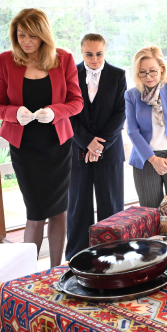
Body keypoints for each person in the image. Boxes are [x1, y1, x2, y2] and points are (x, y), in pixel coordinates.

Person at [0, 9, 83, 268]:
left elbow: (76, 102)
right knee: (35, 213)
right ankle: (30, 274)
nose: (26, 41)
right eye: (21, 35)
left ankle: (55, 270)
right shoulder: (4, 60)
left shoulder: (63, 59)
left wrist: (54, 112)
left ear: (43, 35)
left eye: (32, 35)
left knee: (59, 211)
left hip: (57, 147)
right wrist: (14, 113)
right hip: (25, 148)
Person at [66, 33, 127, 259]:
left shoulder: (118, 75)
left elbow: (121, 113)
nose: (94, 59)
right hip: (77, 150)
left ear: (105, 51)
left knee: (111, 207)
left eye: (99, 54)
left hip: (109, 152)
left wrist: (99, 145)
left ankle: (113, 256)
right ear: (81, 52)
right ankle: (77, 258)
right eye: (89, 54)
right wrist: (86, 142)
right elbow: (67, 113)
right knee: (77, 208)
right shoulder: (69, 74)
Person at [125, 46, 167, 208]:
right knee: (150, 212)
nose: (148, 76)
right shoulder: (131, 95)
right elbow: (132, 130)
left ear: (162, 68)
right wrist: (153, 159)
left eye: (152, 71)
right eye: (142, 72)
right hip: (146, 159)